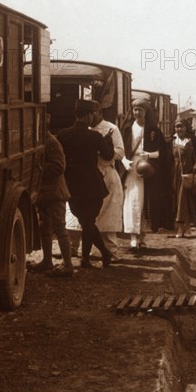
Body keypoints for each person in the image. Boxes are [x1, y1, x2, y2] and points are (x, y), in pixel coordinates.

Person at [57, 99, 114, 268]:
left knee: (86, 222)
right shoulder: (95, 136)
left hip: (72, 186)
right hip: (92, 186)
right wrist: (108, 140)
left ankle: (89, 258)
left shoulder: (63, 134)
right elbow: (109, 155)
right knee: (89, 222)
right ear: (89, 116)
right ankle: (99, 255)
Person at [31, 114, 73, 276]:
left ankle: (68, 265)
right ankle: (47, 261)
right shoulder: (43, 141)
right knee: (45, 227)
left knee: (59, 227)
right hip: (45, 193)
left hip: (55, 193)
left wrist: (38, 168)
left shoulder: (51, 142)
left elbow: (58, 167)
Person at [122, 98, 165, 250]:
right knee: (133, 201)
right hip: (132, 167)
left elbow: (162, 152)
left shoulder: (153, 130)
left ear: (146, 112)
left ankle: (142, 237)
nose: (137, 112)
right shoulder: (127, 128)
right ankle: (133, 238)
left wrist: (149, 155)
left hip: (149, 168)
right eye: (135, 110)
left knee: (146, 202)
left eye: (140, 110)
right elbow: (120, 149)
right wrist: (124, 162)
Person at [90, 101, 125, 257]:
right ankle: (82, 249)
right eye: (88, 113)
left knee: (108, 212)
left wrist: (101, 152)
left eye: (94, 112)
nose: (91, 116)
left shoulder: (111, 128)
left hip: (106, 172)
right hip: (89, 174)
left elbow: (120, 153)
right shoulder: (85, 129)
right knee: (86, 215)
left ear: (100, 113)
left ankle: (110, 250)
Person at [171, 117, 196, 237]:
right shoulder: (172, 141)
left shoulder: (193, 141)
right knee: (179, 200)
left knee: (186, 199)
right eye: (177, 126)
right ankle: (182, 228)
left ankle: (185, 228)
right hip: (176, 175)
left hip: (189, 174)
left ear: (186, 128)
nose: (179, 129)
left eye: (181, 126)